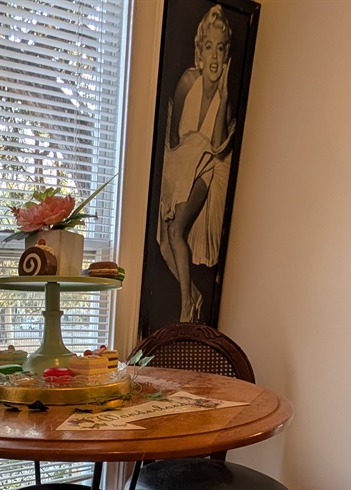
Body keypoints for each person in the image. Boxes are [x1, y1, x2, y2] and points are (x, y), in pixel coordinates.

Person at [156, 5, 235, 323]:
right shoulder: (188, 81)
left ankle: (186, 311)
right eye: (208, 47)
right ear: (199, 52)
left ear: (226, 54)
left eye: (220, 48)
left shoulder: (225, 99)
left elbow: (216, 147)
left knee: (176, 230)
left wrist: (225, 96)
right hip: (180, 162)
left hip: (207, 167)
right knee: (164, 246)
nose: (214, 57)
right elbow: (174, 140)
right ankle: (196, 297)